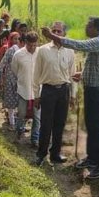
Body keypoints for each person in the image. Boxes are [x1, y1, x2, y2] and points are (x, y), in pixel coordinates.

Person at [43, 16, 99, 179]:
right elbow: (97, 66)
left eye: (88, 26)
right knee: (91, 125)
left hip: (96, 91)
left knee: (95, 127)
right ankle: (92, 158)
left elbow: (78, 45)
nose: (85, 28)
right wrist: (82, 74)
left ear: (96, 28)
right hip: (92, 88)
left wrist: (53, 36)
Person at [32, 22, 76, 166]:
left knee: (60, 124)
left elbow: (73, 75)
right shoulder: (42, 50)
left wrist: (73, 95)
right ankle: (41, 154)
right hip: (48, 91)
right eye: (54, 30)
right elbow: (36, 74)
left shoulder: (70, 51)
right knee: (46, 124)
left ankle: (55, 153)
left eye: (59, 31)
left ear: (64, 34)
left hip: (64, 91)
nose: (56, 33)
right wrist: (36, 96)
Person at [11, 32, 40, 145]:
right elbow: (15, 70)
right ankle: (19, 133)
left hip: (37, 91)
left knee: (37, 117)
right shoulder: (18, 54)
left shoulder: (40, 53)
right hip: (23, 90)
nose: (32, 48)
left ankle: (34, 139)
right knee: (21, 114)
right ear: (25, 43)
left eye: (34, 45)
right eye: (29, 45)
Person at [0, 32, 21, 129]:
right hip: (10, 79)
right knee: (11, 102)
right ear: (10, 40)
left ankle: (18, 123)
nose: (16, 41)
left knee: (19, 102)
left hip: (19, 79)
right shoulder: (10, 50)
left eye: (18, 39)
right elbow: (1, 65)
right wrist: (0, 78)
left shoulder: (21, 51)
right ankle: (12, 123)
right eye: (14, 39)